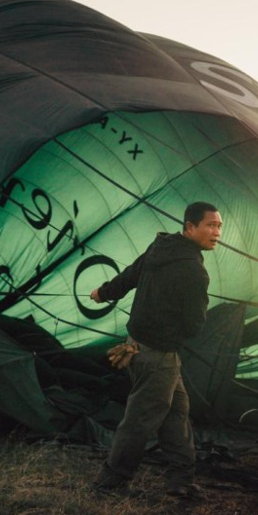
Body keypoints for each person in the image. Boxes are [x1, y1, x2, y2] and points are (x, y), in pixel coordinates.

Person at [91, 202, 223, 497]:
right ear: (190, 227)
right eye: (210, 225)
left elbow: (129, 275)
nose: (216, 232)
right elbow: (194, 325)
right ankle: (109, 482)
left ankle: (181, 480)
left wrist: (103, 292)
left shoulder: (160, 246)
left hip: (139, 348)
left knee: (177, 412)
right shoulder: (194, 271)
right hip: (158, 357)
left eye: (219, 226)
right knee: (140, 420)